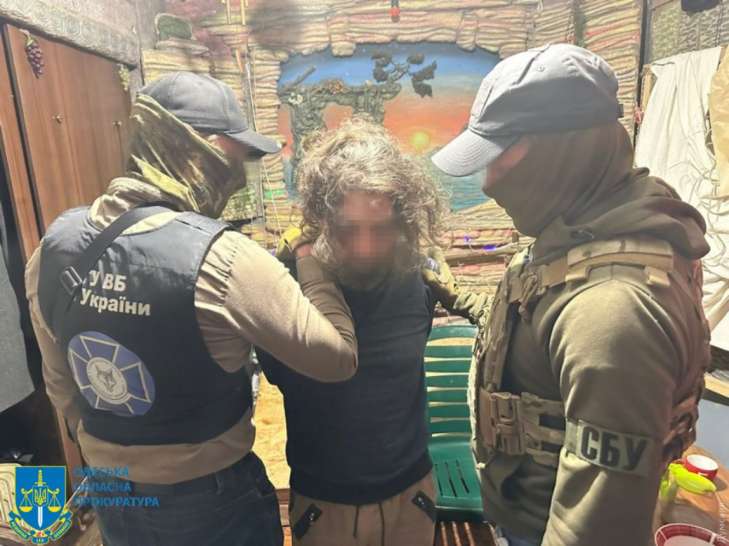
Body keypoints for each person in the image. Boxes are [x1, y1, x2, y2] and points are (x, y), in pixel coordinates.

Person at [25, 72, 359, 546]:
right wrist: (309, 260)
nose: (237, 177)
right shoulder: (224, 258)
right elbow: (337, 359)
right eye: (235, 159)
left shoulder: (52, 250)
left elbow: (61, 383)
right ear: (205, 150)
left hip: (110, 491)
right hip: (209, 500)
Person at [426, 44, 712, 545]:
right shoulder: (579, 240)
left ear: (560, 150)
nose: (489, 183)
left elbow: (594, 527)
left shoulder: (613, 308)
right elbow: (531, 323)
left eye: (500, 156)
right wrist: (449, 290)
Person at [258, 119, 447, 546]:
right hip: (325, 503)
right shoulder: (284, 285)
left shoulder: (420, 278)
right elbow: (278, 374)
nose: (364, 248)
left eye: (381, 230)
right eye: (348, 229)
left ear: (404, 220)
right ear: (321, 218)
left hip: (411, 495)